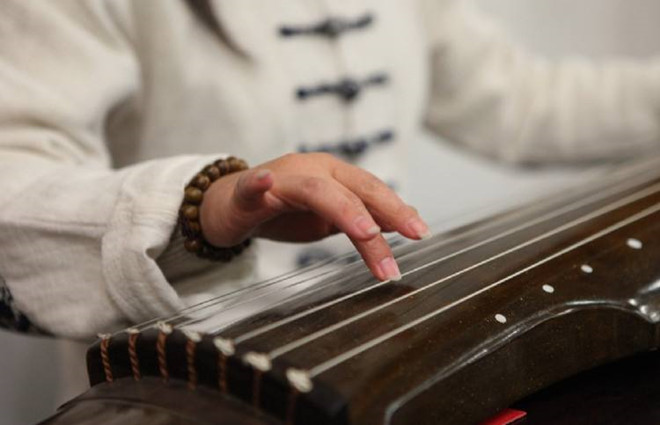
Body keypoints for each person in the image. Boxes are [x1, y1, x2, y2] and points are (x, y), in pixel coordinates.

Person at [0, 0, 658, 340]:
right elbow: (13, 189)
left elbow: (519, 102)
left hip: (382, 355)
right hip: (192, 383)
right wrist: (203, 204)